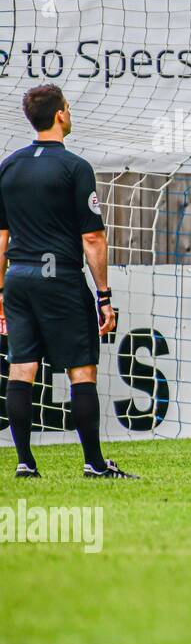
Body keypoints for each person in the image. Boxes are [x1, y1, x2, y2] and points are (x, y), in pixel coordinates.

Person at [0, 84, 134, 478]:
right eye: (68, 108)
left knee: (21, 368)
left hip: (19, 278)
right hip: (58, 276)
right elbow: (92, 238)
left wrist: (1, 290)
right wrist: (104, 296)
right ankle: (94, 463)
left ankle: (24, 462)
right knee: (81, 369)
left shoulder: (8, 166)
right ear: (60, 114)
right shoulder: (75, 167)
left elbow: (1, 237)